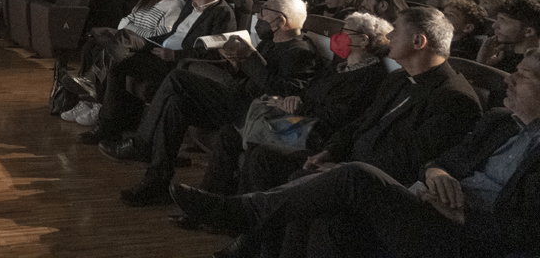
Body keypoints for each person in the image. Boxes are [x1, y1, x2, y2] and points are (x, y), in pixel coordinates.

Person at [170, 49, 538, 258]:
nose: (509, 79)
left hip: (470, 230)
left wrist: (461, 211)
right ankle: (253, 236)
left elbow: (526, 228)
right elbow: (444, 158)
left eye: (522, 75)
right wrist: (437, 174)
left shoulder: (450, 96)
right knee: (323, 208)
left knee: (353, 176)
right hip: (420, 196)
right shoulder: (501, 120)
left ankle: (245, 212)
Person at [102, 0, 320, 206]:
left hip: (252, 112)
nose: (259, 16)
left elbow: (282, 90)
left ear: (281, 20)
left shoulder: (300, 51)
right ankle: (157, 180)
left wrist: (249, 57)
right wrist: (236, 62)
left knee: (178, 78)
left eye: (264, 12)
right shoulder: (271, 42)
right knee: (176, 103)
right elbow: (251, 76)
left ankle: (142, 144)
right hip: (237, 100)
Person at [195, 12, 392, 198]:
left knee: (259, 153)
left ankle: (244, 215)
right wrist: (296, 100)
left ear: (363, 40)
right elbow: (310, 92)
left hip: (316, 134)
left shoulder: (370, 77)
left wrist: (302, 108)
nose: (338, 36)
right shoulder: (340, 66)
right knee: (230, 133)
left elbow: (341, 115)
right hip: (299, 120)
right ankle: (208, 200)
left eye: (345, 32)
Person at [77, 0, 236, 147]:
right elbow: (173, 34)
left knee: (118, 58)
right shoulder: (190, 6)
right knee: (121, 41)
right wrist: (148, 40)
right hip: (160, 47)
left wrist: (176, 55)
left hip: (176, 64)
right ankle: (106, 119)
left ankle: (102, 111)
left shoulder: (222, 14)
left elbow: (215, 51)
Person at [63, 0, 186, 126]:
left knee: (123, 37)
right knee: (93, 44)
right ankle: (87, 100)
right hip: (130, 40)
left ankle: (97, 97)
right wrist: (131, 28)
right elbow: (125, 20)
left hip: (147, 46)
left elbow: (160, 33)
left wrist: (132, 29)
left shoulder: (176, 5)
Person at [477, 0, 540, 74]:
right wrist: (482, 63)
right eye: (497, 18)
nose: (494, 25)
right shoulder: (501, 57)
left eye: (503, 20)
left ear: (529, 31)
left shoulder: (534, 69)